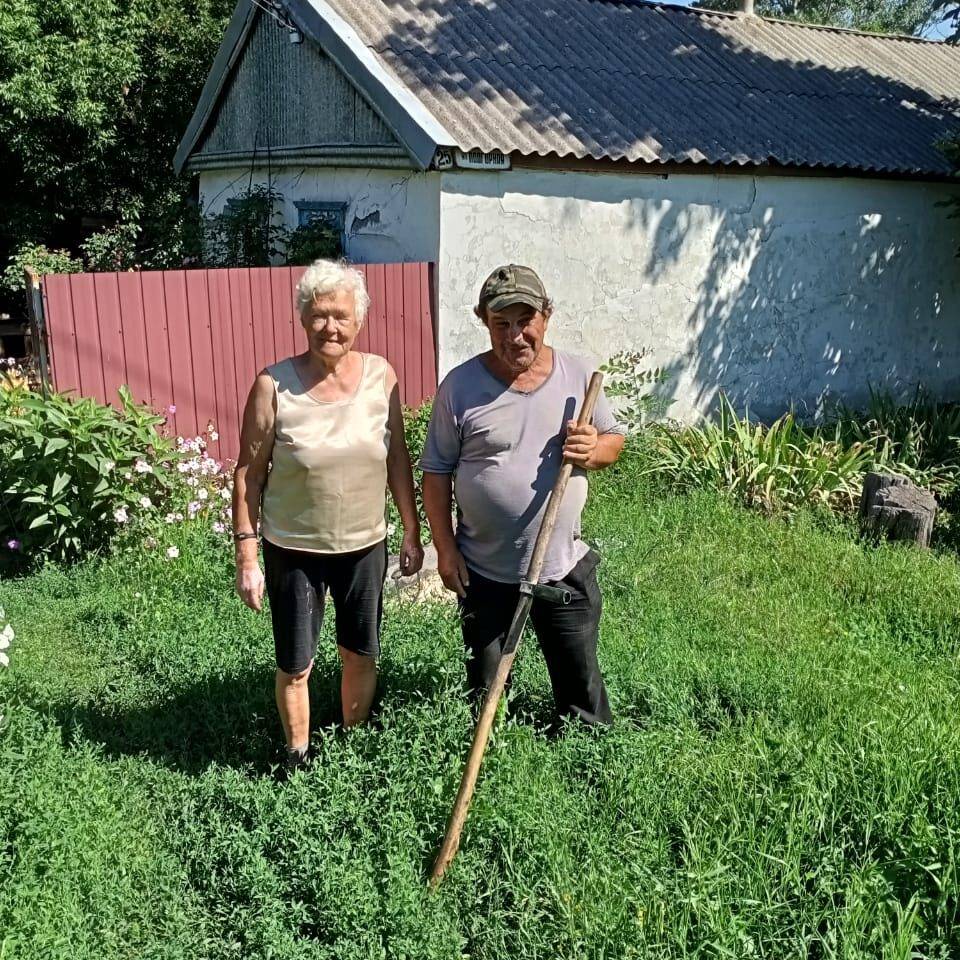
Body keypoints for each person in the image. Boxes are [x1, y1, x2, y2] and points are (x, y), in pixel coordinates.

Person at [232, 259, 424, 769]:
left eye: (340, 315)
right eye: (318, 315)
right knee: (296, 663)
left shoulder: (382, 377)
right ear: (302, 319)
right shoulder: (273, 386)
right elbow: (247, 473)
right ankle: (296, 758)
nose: (329, 327)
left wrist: (410, 528)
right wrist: (247, 555)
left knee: (360, 652)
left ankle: (351, 746)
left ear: (359, 320)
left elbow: (397, 458)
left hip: (365, 544)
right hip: (293, 548)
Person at [421, 264, 625, 726]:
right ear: (483, 321)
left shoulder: (578, 377)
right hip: (485, 571)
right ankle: (498, 756)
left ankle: (591, 758)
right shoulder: (460, 387)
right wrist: (445, 548)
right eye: (501, 324)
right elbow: (435, 473)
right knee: (486, 693)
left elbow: (614, 440)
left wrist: (594, 449)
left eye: (524, 320)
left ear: (546, 316)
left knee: (581, 685)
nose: (515, 336)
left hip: (561, 564)